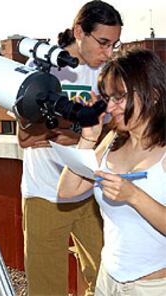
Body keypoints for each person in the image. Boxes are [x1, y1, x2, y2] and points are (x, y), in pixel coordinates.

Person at [18, 1, 122, 295]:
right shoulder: (43, 67)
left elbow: (118, 130)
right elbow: (25, 136)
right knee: (46, 287)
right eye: (103, 43)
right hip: (44, 194)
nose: (108, 53)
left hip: (92, 193)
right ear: (79, 31)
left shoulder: (108, 73)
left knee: (105, 281)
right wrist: (82, 132)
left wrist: (64, 133)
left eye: (115, 44)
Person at [57, 48, 166, 295]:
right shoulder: (112, 140)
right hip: (108, 280)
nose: (112, 107)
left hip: (153, 287)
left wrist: (135, 197)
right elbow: (67, 190)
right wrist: (88, 139)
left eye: (120, 97)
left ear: (155, 94)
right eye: (108, 98)